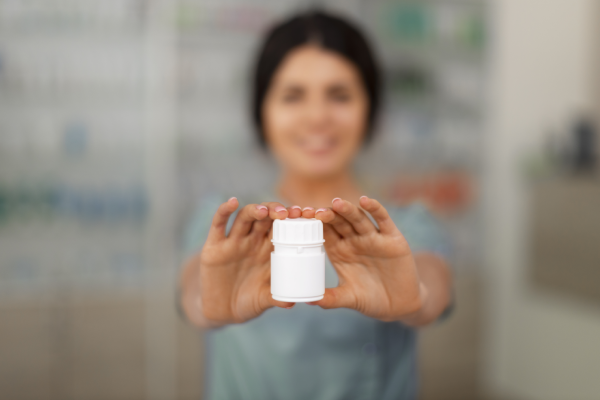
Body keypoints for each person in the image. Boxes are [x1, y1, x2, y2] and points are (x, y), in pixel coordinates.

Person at [178, 10, 453, 400]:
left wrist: (416, 298)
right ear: (262, 111)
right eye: (292, 96)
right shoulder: (223, 226)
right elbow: (193, 295)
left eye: (340, 95)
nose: (317, 117)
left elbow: (431, 288)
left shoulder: (409, 226)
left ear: (370, 109)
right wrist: (206, 303)